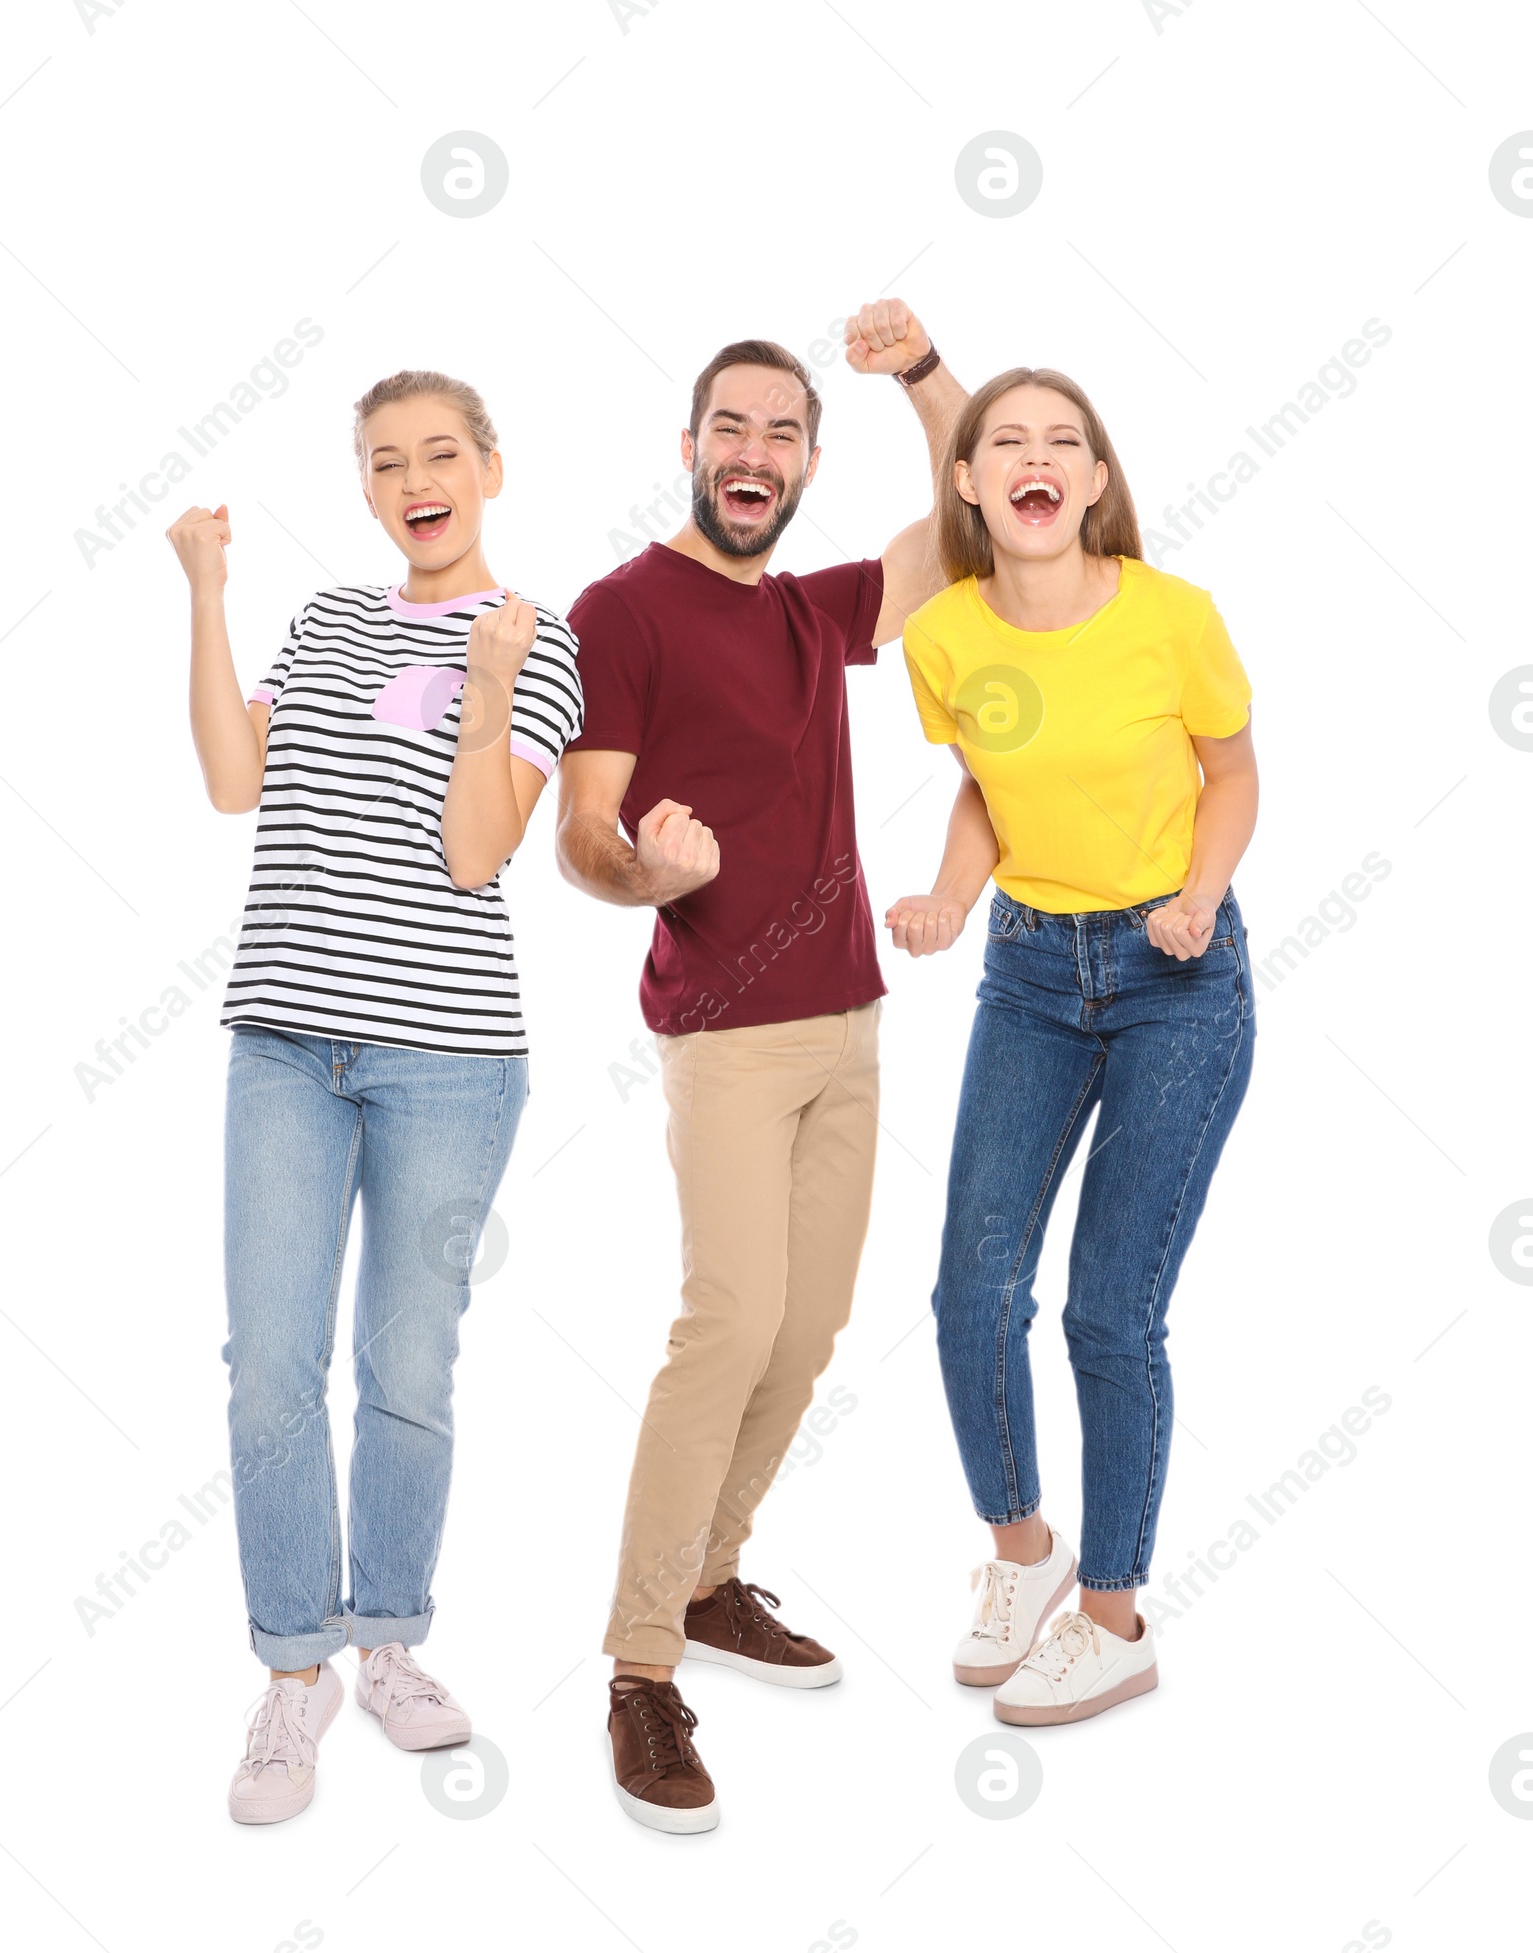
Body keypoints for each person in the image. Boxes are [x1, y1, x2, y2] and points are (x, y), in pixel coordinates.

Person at [556, 299, 966, 1832]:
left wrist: (926, 375)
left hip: (850, 1022)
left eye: (781, 431)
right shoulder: (623, 609)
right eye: (729, 425)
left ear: (804, 465)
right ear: (687, 449)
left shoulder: (815, 612)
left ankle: (714, 1573)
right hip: (723, 1035)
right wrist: (641, 874)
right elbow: (582, 833)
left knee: (807, 1334)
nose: (753, 450)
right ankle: (640, 1666)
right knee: (726, 1323)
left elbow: (967, 515)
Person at [165, 369, 583, 1823]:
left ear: (490, 466)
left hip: (448, 1060)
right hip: (283, 1042)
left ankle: (388, 1632)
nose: (418, 477)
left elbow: (478, 851)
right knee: (269, 1365)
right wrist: (209, 591)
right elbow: (235, 779)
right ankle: (297, 1673)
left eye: (442, 453)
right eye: (387, 460)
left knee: (407, 1368)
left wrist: (480, 683)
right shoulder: (331, 617)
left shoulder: (538, 640)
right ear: (365, 486)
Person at [886, 366, 1258, 1725]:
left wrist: (1202, 893)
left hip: (1178, 975)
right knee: (968, 1293)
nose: (1037, 460)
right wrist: (948, 893)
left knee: (1111, 1309)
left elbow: (1234, 771)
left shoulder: (1172, 616)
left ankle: (1112, 1615)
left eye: (1065, 442)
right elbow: (987, 785)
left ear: (1095, 481)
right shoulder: (947, 634)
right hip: (1032, 974)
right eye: (1006, 444)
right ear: (973, 485)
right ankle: (1023, 1553)